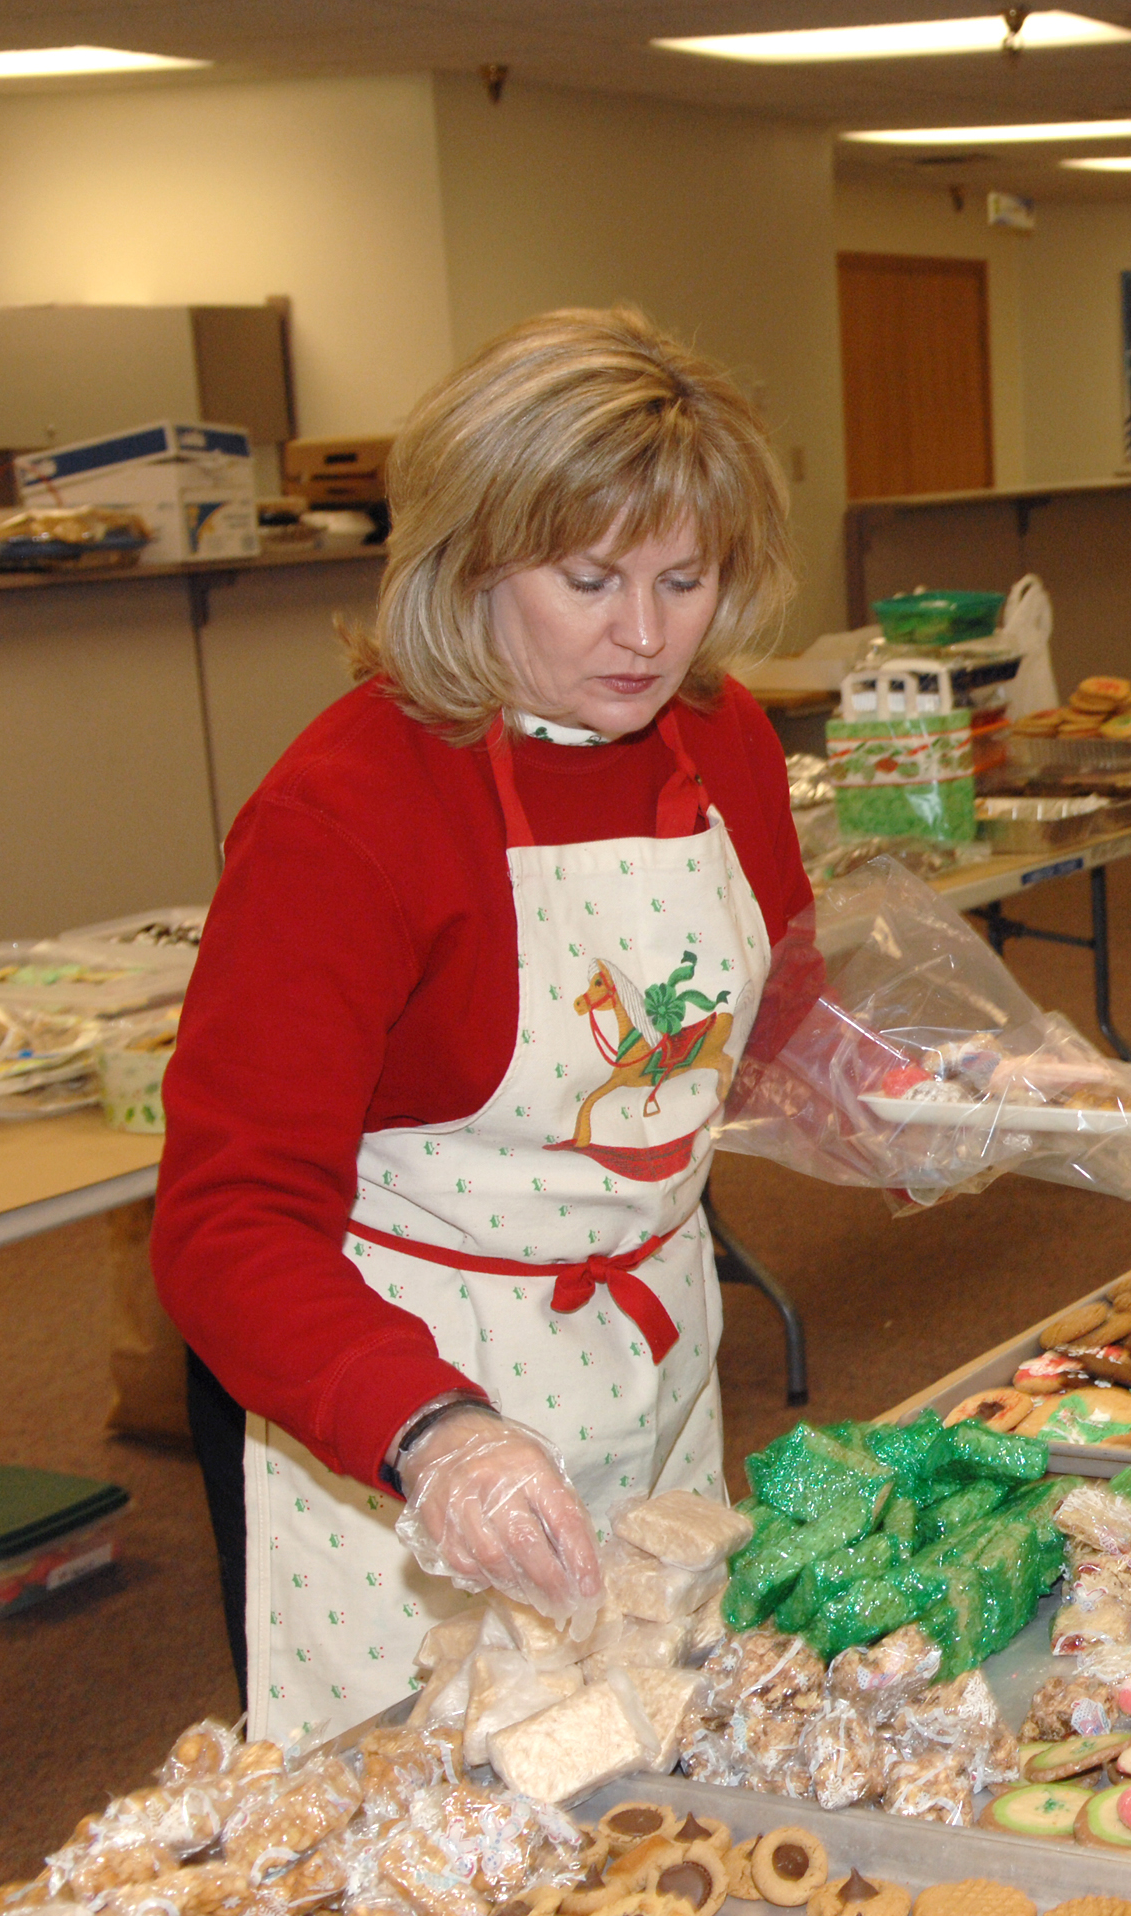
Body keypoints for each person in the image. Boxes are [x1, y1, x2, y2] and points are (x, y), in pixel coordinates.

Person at [152, 307, 822, 1743]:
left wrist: (908, 1076)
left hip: (655, 1340)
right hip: (409, 1397)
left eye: (685, 579)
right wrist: (433, 1431)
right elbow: (226, 1218)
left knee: (657, 1767)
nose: (646, 635)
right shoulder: (349, 809)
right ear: (469, 560)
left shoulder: (726, 741)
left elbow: (769, 1010)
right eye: (587, 581)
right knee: (447, 1846)